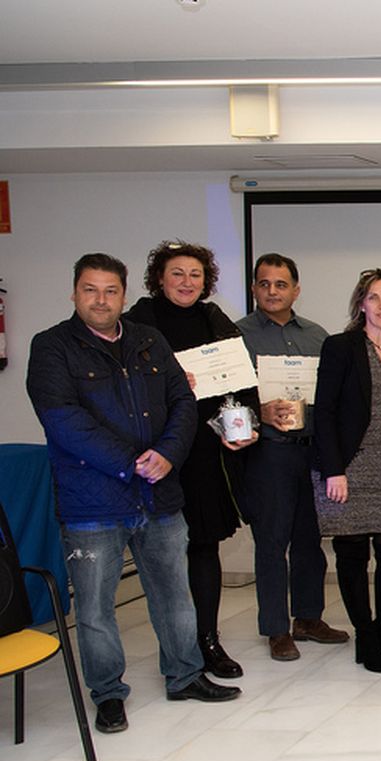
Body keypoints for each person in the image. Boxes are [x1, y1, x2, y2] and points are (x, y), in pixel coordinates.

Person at [27, 253, 240, 733]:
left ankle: (185, 675)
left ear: (124, 296)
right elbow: (62, 419)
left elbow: (182, 401)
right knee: (97, 607)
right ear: (74, 293)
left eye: (110, 291)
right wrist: (132, 463)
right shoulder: (52, 347)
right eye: (90, 290)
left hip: (159, 494)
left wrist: (167, 454)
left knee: (173, 595)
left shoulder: (149, 340)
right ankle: (107, 694)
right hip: (93, 503)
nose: (101, 300)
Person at [125, 240, 258, 681]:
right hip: (160, 454)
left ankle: (207, 641)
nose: (187, 282)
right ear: (159, 278)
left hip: (204, 453)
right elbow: (125, 388)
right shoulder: (138, 323)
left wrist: (245, 424)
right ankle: (178, 650)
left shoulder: (214, 319)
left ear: (207, 281)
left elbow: (239, 383)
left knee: (204, 548)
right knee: (163, 553)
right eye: (177, 273)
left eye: (196, 274)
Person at [236, 253, 347, 662]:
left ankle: (309, 618)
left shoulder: (318, 337)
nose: (272, 291)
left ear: (295, 291)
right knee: (271, 541)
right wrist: (257, 412)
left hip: (311, 451)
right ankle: (277, 628)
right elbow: (222, 401)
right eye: (264, 284)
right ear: (254, 289)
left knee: (309, 541)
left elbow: (332, 398)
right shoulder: (238, 337)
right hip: (267, 452)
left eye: (281, 285)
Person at [312, 268, 381, 673]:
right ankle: (365, 636)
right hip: (348, 465)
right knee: (352, 553)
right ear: (361, 304)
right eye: (374, 297)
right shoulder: (341, 347)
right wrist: (333, 470)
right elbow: (325, 411)